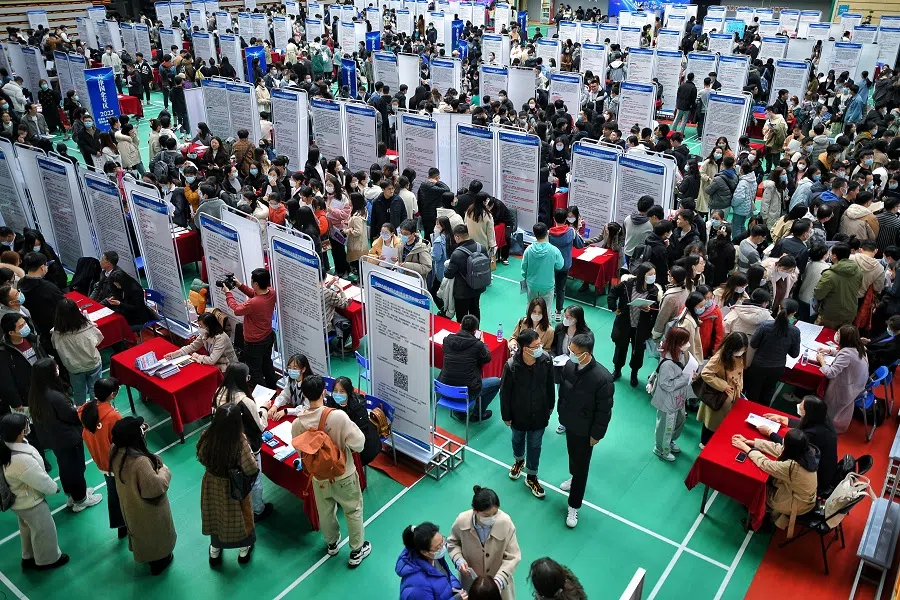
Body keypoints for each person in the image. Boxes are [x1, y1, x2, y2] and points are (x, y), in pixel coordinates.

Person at [291, 375, 370, 567]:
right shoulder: (337, 417)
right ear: (324, 392)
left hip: (319, 477)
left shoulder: (298, 423)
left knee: (325, 511)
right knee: (353, 510)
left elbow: (299, 449)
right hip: (344, 474)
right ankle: (356, 550)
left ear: (303, 394)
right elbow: (359, 444)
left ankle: (332, 543)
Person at [28, 358, 102, 511]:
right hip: (67, 438)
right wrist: (79, 411)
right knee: (76, 467)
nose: (57, 369)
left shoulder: (35, 393)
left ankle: (72, 495)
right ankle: (81, 499)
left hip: (54, 439)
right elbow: (72, 416)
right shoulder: (55, 396)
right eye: (55, 367)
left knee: (65, 467)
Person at [558, 333, 614, 528]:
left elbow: (604, 410)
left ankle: (574, 506)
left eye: (574, 352)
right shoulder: (568, 366)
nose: (570, 354)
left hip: (586, 430)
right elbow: (563, 392)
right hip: (570, 424)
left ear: (587, 354)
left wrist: (596, 435)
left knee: (582, 467)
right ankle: (573, 478)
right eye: (570, 350)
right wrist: (561, 414)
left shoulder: (603, 378)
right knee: (573, 456)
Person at [0, 412, 68, 570]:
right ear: (19, 433)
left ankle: (28, 556)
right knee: (44, 530)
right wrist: (54, 488)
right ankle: (47, 560)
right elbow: (39, 479)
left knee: (27, 527)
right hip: (30, 502)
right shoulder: (21, 460)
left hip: (19, 501)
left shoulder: (6, 446)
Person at [108, 416, 176, 575]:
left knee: (141, 534)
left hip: (130, 505)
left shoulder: (115, 450)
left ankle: (150, 557)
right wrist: (164, 470)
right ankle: (159, 562)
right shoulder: (139, 462)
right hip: (148, 509)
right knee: (155, 535)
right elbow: (156, 487)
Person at [197, 403, 260, 565]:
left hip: (211, 483)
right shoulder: (240, 441)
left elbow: (200, 455)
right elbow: (251, 468)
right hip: (234, 486)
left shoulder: (207, 435)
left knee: (215, 516)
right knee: (242, 517)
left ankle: (215, 550)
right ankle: (244, 550)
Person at [213, 363, 272, 522]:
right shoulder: (245, 401)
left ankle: (238, 505)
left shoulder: (218, 393)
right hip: (248, 449)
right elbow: (260, 426)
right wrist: (264, 409)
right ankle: (258, 509)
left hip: (225, 445)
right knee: (254, 478)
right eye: (247, 377)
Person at [731, 429, 818, 537]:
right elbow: (779, 449)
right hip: (801, 495)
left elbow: (765, 464)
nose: (782, 444)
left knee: (758, 491)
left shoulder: (792, 467)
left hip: (796, 503)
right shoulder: (806, 452)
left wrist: (746, 449)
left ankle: (761, 520)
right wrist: (751, 442)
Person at [500, 328, 555, 498]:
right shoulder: (511, 366)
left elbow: (549, 385)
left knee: (535, 445)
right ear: (526, 349)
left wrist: (550, 406)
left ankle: (531, 476)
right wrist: (506, 415)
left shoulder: (546, 361)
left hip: (539, 414)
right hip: (518, 415)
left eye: (540, 344)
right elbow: (505, 393)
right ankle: (519, 460)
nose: (540, 347)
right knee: (517, 439)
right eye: (536, 345)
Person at [448, 486, 522, 600]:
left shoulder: (506, 523)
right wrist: (459, 560)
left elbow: (513, 557)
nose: (492, 518)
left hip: (498, 586)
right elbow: (453, 543)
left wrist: (499, 579)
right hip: (472, 584)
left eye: (495, 513)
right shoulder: (462, 520)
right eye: (486, 515)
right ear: (474, 510)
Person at [759, 395, 839, 495]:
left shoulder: (813, 435)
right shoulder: (823, 419)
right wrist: (784, 419)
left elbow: (792, 445)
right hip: (826, 468)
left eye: (802, 406)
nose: (799, 406)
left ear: (809, 412)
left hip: (817, 478)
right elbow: (805, 423)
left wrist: (770, 433)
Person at [78, 377, 126, 539]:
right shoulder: (113, 417)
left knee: (113, 491)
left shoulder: (86, 408)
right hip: (114, 462)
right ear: (113, 394)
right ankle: (122, 525)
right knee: (119, 493)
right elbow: (122, 440)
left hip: (100, 460)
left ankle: (121, 525)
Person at [438, 315, 500, 422]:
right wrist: (483, 343)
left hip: (444, 388)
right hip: (467, 392)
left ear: (461, 326)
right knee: (497, 382)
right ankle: (478, 414)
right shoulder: (478, 345)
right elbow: (487, 358)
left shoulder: (447, 340)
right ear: (475, 331)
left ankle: (459, 412)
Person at [608, 263, 662, 385]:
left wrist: (649, 309)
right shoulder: (627, 285)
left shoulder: (654, 291)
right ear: (642, 275)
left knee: (638, 352)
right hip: (624, 324)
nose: (653, 277)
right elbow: (613, 293)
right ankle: (617, 371)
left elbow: (656, 308)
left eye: (654, 274)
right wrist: (613, 307)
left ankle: (634, 374)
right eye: (650, 274)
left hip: (641, 328)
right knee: (620, 348)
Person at [225, 268, 278, 388]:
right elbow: (254, 293)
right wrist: (240, 285)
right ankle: (273, 388)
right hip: (268, 336)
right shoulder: (271, 292)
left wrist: (228, 293)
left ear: (256, 283)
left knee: (255, 372)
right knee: (267, 365)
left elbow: (237, 310)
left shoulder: (253, 303)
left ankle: (264, 396)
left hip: (255, 342)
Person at [652, 327, 696, 462]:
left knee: (679, 420)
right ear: (677, 343)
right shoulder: (667, 363)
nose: (687, 345)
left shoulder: (679, 354)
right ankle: (661, 449)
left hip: (677, 397)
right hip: (667, 399)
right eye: (685, 342)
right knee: (666, 424)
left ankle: (669, 441)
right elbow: (667, 384)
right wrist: (686, 377)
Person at [744, 299, 801, 405]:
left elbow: (753, 344)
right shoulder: (795, 331)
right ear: (793, 314)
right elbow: (794, 354)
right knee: (768, 393)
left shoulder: (765, 326)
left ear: (779, 308)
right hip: (777, 368)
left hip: (758, 366)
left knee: (752, 394)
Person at [698, 332, 748, 447]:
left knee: (722, 421)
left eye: (744, 349)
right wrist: (723, 385)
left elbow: (740, 374)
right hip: (719, 395)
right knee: (711, 422)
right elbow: (706, 373)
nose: (742, 352)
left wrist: (739, 388)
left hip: (731, 393)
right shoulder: (719, 357)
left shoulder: (738, 356)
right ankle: (704, 442)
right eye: (740, 349)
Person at [50, 298, 104, 406]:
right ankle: (96, 410)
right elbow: (98, 340)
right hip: (92, 363)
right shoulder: (88, 327)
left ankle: (80, 412)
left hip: (74, 368)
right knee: (95, 390)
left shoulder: (56, 333)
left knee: (78, 392)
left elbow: (55, 346)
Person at [816, 325, 870, 433]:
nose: (837, 335)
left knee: (828, 412)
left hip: (844, 390)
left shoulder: (847, 354)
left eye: (839, 334)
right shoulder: (860, 347)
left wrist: (821, 360)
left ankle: (825, 427)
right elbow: (844, 353)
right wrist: (829, 350)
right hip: (857, 385)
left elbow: (830, 373)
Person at [396, 522, 463, 600]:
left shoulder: (434, 556)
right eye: (438, 546)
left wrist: (456, 588)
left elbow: (446, 575)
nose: (443, 546)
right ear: (424, 552)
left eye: (442, 540)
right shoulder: (417, 587)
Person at [325, 376, 381, 465]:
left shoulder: (358, 408)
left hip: (362, 443)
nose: (338, 394)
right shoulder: (331, 401)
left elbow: (359, 434)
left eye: (342, 391)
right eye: (335, 391)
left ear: (348, 392)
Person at [18, 251, 63, 351]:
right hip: (54, 330)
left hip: (37, 328)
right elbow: (63, 306)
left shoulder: (21, 283)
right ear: (43, 267)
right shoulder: (48, 288)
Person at [444, 225, 491, 321]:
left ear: (457, 237)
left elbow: (448, 274)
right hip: (478, 287)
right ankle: (476, 333)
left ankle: (463, 334)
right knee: (475, 310)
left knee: (462, 316)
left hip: (462, 292)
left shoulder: (457, 254)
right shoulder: (481, 247)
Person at [164, 312, 237, 372]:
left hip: (227, 366)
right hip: (215, 363)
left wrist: (197, 356)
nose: (199, 328)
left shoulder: (221, 338)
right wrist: (175, 354)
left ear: (209, 326)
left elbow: (212, 360)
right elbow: (192, 347)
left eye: (201, 326)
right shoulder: (205, 333)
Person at [814, 243, 863, 330]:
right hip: (850, 312)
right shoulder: (857, 270)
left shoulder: (829, 274)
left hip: (831, 314)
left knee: (824, 337)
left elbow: (819, 294)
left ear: (834, 256)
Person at [521, 222, 563, 307]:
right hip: (547, 285)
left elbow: (524, 268)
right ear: (547, 233)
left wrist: (526, 277)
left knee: (531, 307)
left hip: (532, 284)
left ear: (534, 234)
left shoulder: (528, 250)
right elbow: (560, 265)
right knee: (546, 309)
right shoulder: (554, 250)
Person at [263, 353, 312, 419]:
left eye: (295, 368)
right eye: (289, 367)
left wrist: (287, 411)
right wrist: (275, 406)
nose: (291, 370)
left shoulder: (310, 384)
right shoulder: (291, 379)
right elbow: (285, 395)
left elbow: (307, 408)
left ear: (303, 369)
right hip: (295, 411)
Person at [417, 167, 450, 238]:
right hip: (433, 216)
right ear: (437, 177)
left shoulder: (421, 186)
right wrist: (437, 182)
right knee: (434, 235)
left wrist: (421, 213)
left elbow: (419, 201)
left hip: (424, 216)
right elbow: (447, 189)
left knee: (427, 235)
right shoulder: (434, 188)